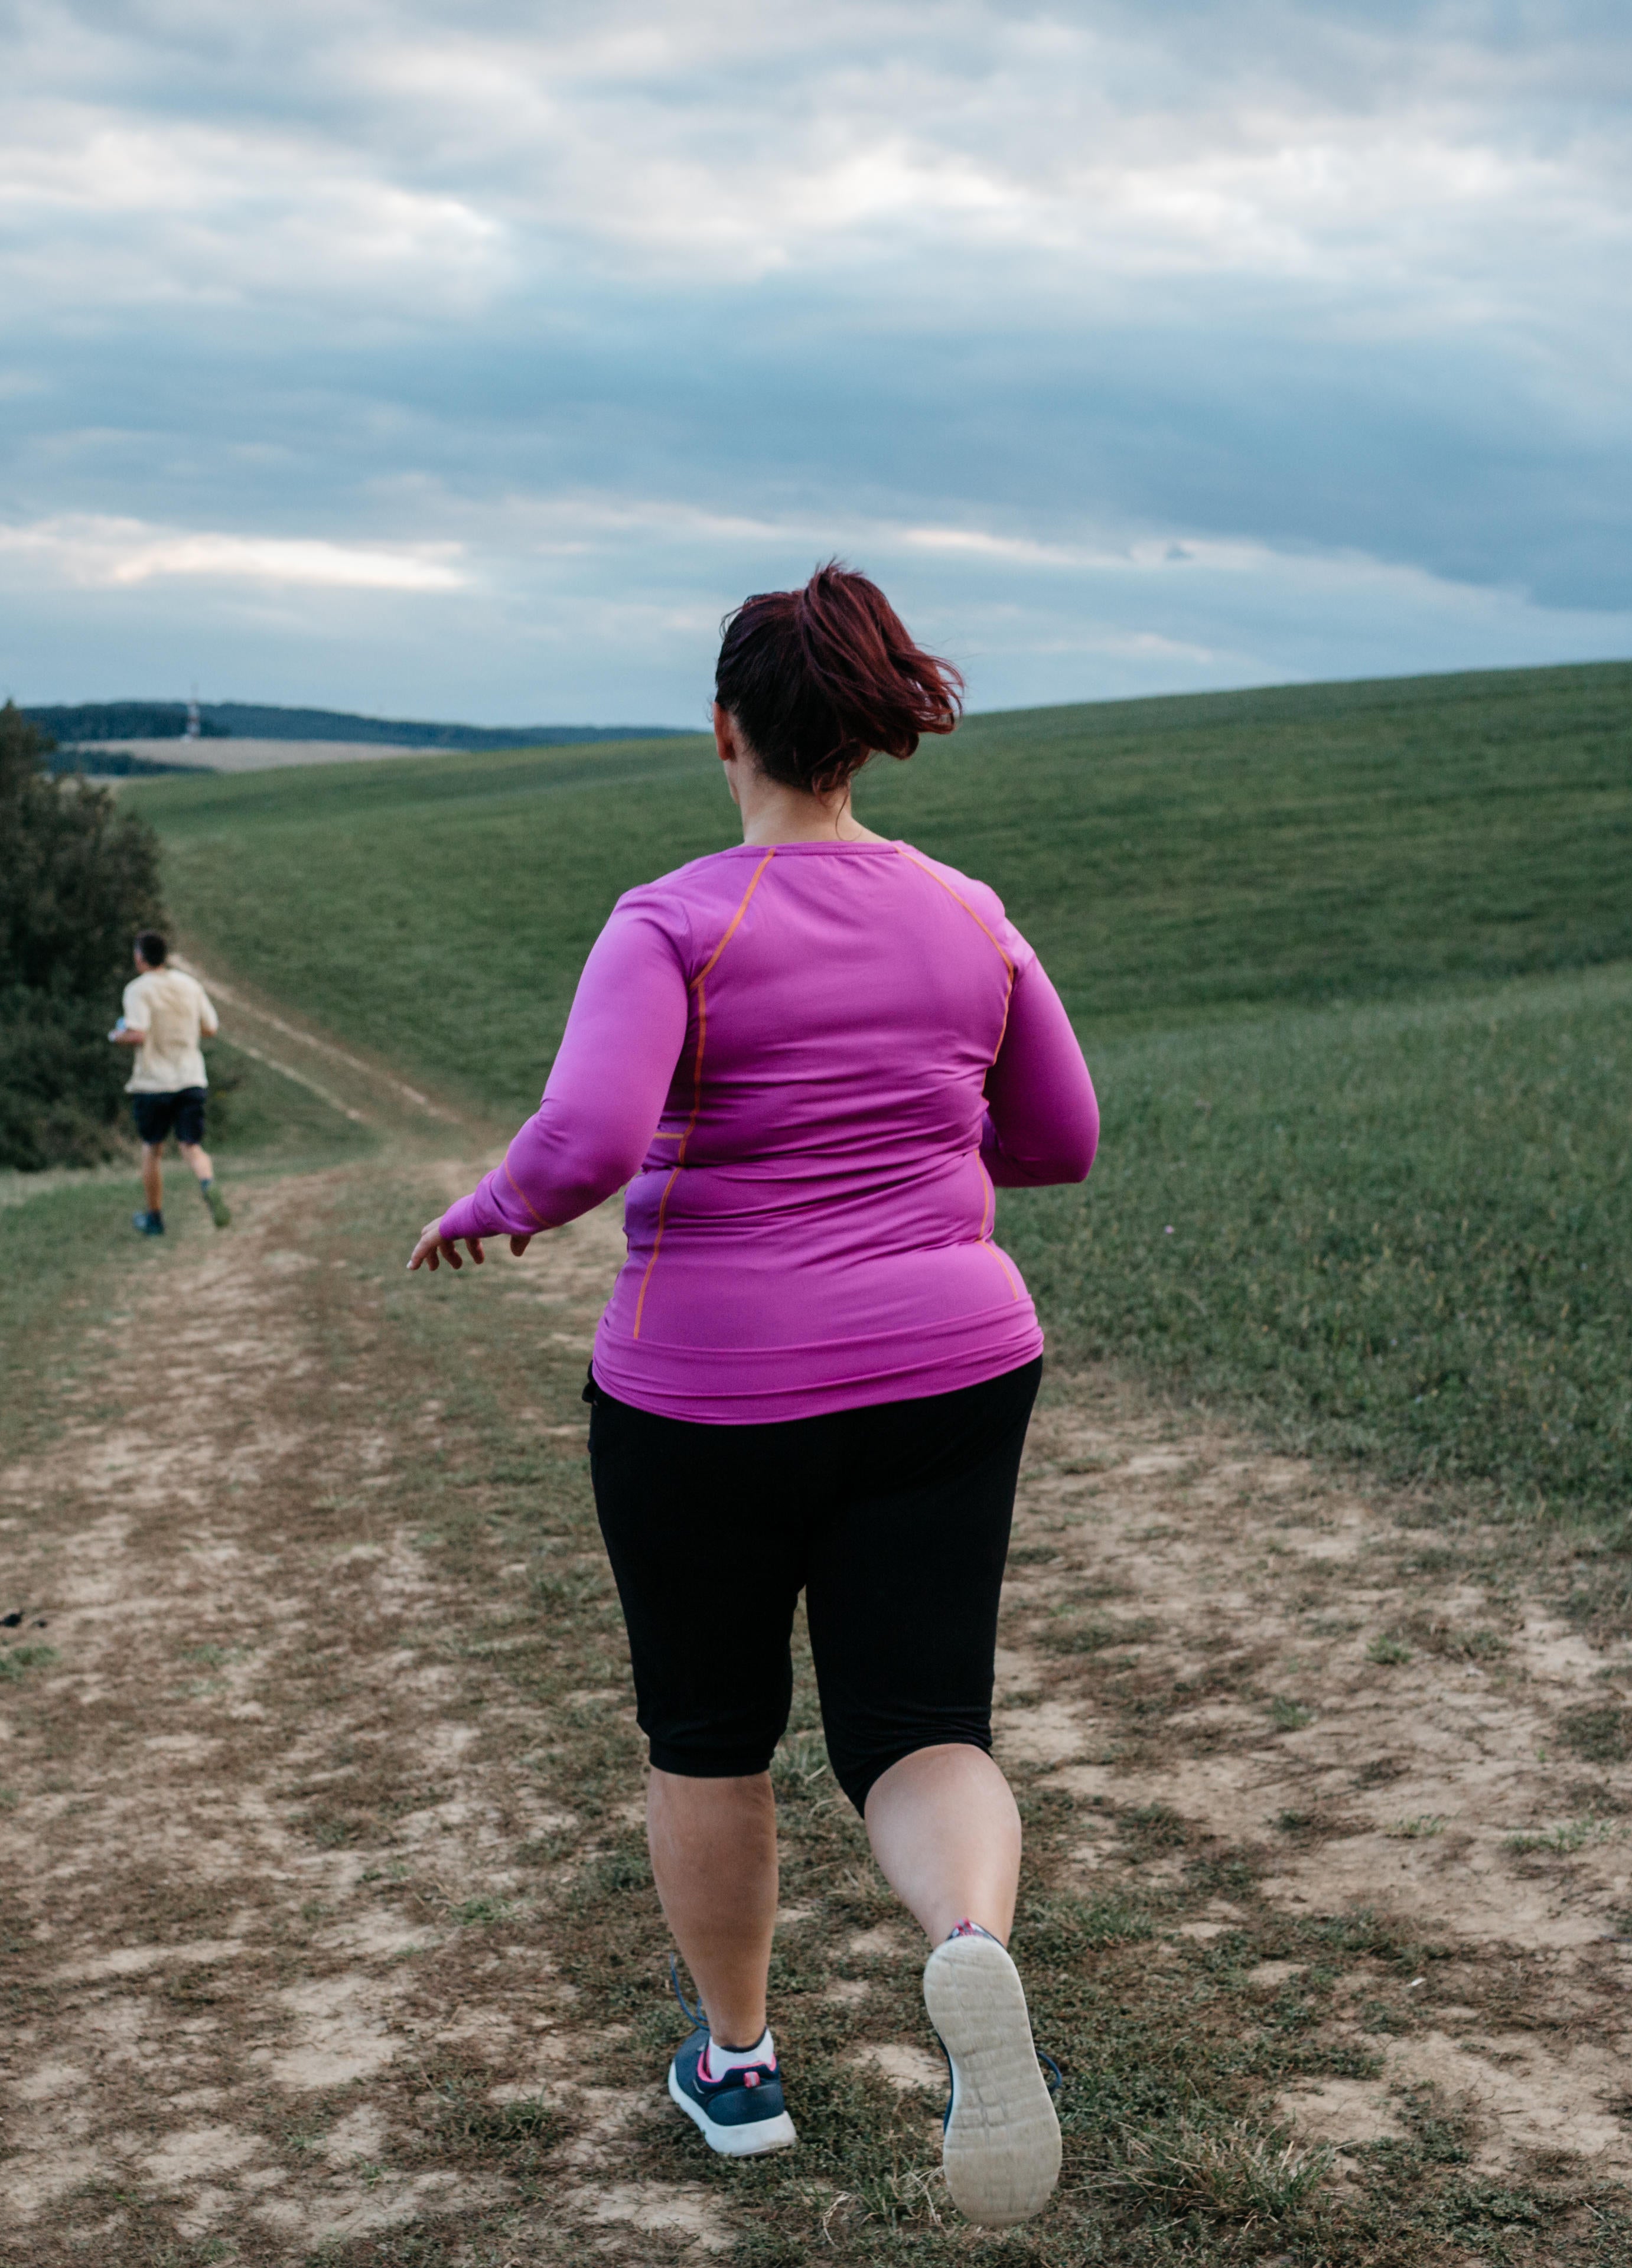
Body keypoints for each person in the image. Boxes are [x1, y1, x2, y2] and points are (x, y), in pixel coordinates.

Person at [405, 564, 1096, 2227]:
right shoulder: (969, 911)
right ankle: (971, 1951)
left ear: (726, 731)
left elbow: (584, 1141)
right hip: (953, 1363)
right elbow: (1057, 1141)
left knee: (710, 1736)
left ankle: (739, 2067)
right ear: (869, 731)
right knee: (920, 1723)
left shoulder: (674, 917)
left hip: (706, 1394)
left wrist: (487, 1209)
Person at [112, 933, 230, 1234]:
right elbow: (211, 1028)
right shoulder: (190, 985)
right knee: (192, 1146)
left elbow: (137, 1033)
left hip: (154, 1082)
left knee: (152, 1149)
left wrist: (116, 1036)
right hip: (190, 1077)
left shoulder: (138, 990)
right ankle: (207, 1183)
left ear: (140, 958)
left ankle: (154, 1219)